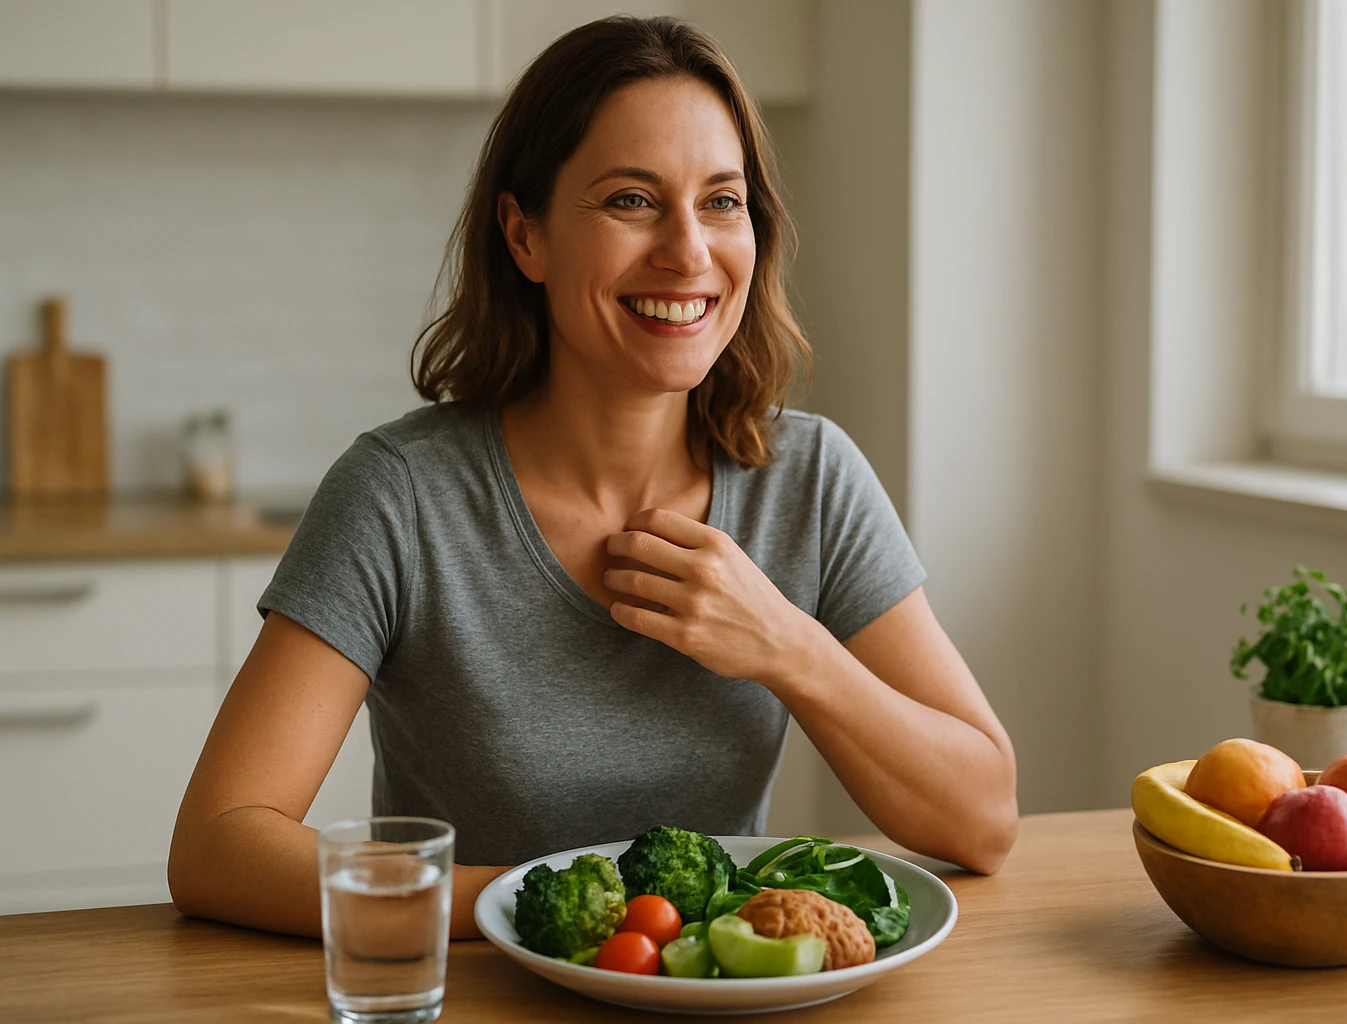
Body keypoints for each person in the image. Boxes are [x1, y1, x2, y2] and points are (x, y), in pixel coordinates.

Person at [168, 16, 1017, 940]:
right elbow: (218, 844)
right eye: (631, 201)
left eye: (722, 202)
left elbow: (983, 819)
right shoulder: (400, 496)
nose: (689, 252)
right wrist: (531, 914)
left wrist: (787, 646)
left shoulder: (810, 479)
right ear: (524, 236)